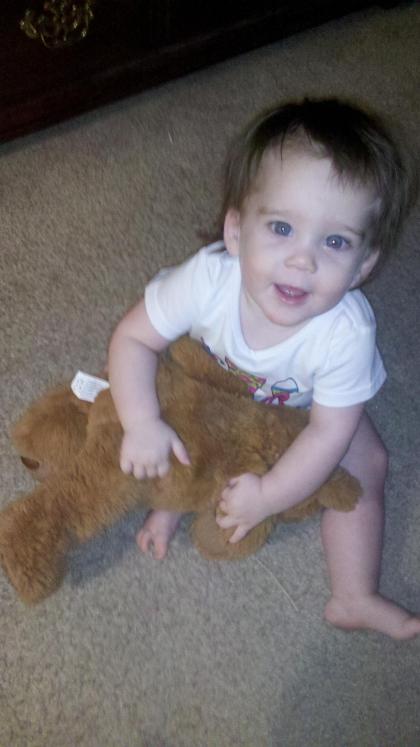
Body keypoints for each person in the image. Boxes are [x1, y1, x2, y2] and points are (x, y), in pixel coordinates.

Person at [108, 98, 420, 639]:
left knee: (369, 461)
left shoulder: (347, 333)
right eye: (281, 227)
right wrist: (140, 423)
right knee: (165, 411)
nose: (303, 260)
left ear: (362, 266)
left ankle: (353, 595)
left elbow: (328, 433)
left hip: (299, 409)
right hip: (209, 384)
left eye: (336, 241)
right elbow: (133, 338)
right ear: (235, 231)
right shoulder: (207, 280)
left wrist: (271, 496)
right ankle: (175, 502)